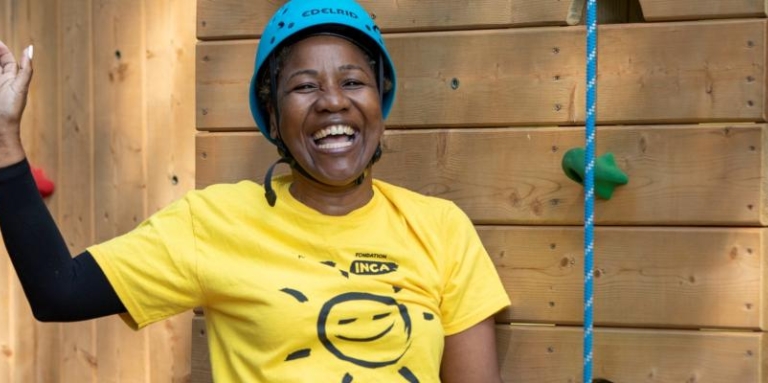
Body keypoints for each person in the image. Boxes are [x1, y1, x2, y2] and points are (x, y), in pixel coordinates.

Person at [0, 0, 511, 381]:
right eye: (304, 86)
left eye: (354, 82)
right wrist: (3, 140)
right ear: (272, 115)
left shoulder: (441, 228)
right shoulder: (214, 223)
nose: (333, 102)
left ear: (381, 100)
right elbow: (57, 290)